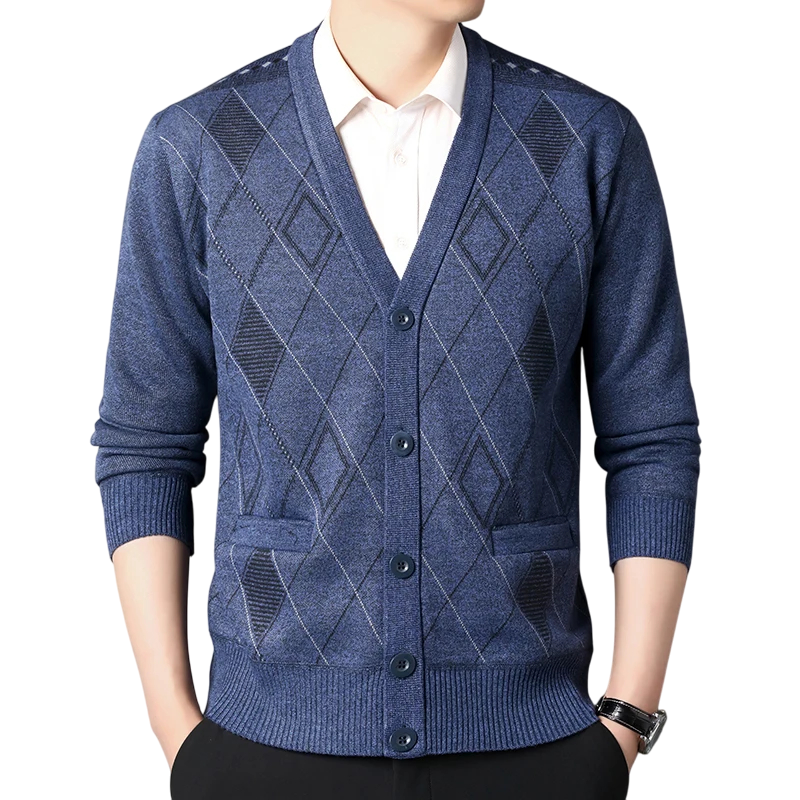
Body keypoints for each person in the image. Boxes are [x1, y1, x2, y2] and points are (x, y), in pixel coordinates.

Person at [89, 1, 701, 798]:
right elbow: (144, 444)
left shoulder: (581, 140)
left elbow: (651, 439)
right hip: (265, 748)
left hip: (533, 747)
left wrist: (625, 721)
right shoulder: (203, 146)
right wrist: (177, 729)